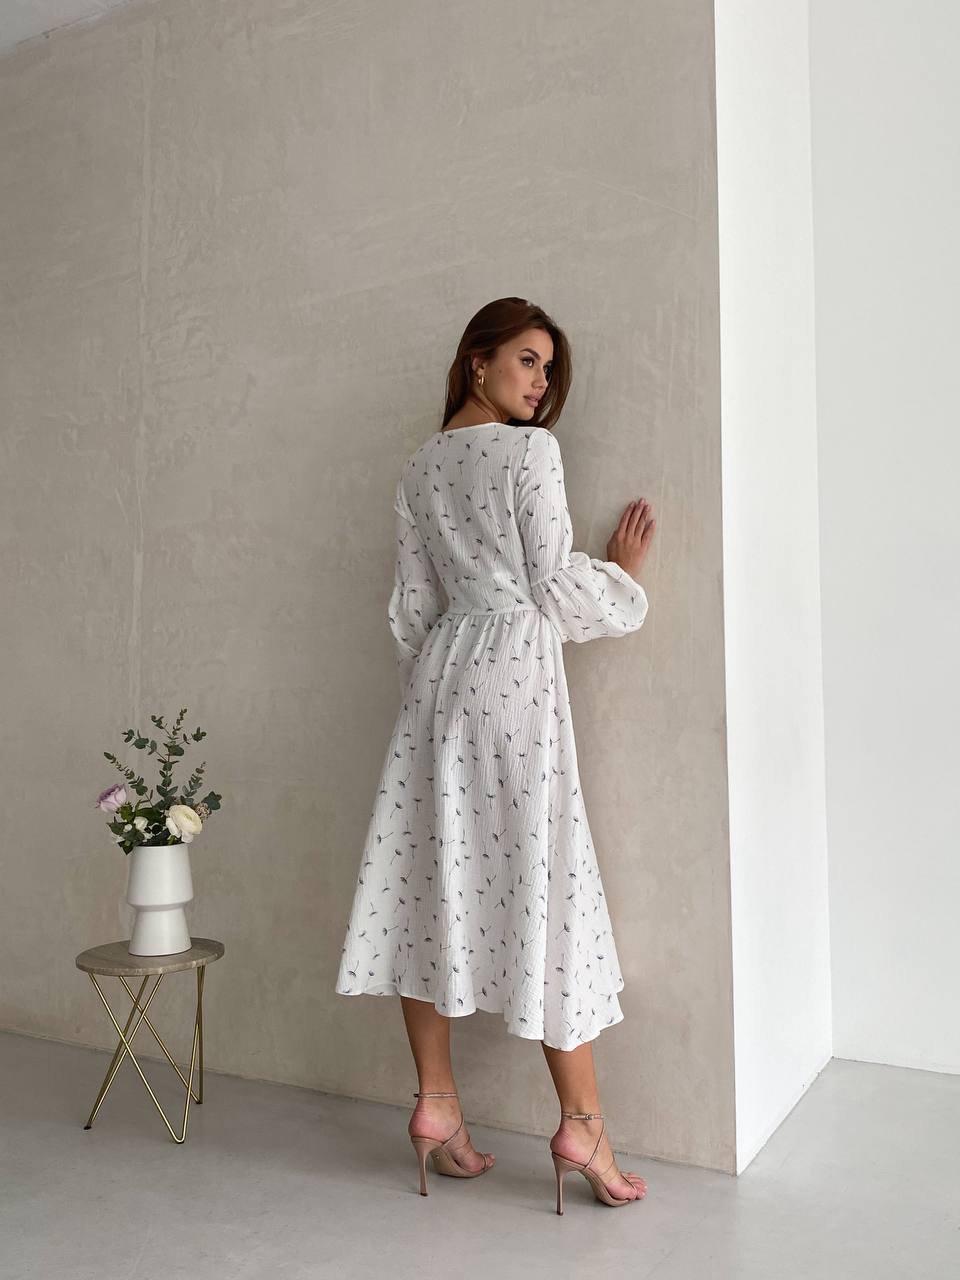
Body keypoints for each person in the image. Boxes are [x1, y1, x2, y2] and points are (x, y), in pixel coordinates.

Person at [335, 297, 657, 1212]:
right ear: (476, 361)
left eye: (548, 368)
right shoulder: (531, 453)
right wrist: (622, 582)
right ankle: (583, 1124)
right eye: (527, 360)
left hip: (439, 682)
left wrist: (441, 678)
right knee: (547, 884)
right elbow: (552, 581)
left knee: (426, 880)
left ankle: (437, 1105)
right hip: (515, 673)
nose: (541, 382)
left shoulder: (418, 466)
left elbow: (411, 608)